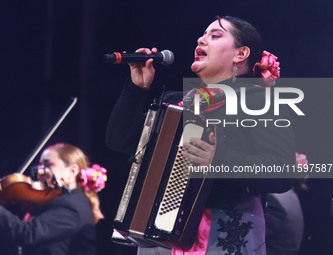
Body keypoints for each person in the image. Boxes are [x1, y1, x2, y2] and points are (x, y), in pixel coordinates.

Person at [106, 15, 295, 255]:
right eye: (202, 35)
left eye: (215, 35)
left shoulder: (260, 101)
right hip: (160, 234)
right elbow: (120, 141)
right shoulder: (178, 102)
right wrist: (136, 88)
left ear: (241, 53)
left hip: (223, 231)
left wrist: (224, 161)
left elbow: (283, 172)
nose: (201, 40)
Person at [0, 143, 107, 255]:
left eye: (48, 165)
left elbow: (28, 234)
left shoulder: (72, 206)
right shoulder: (61, 201)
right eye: (40, 166)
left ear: (72, 171)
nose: (40, 172)